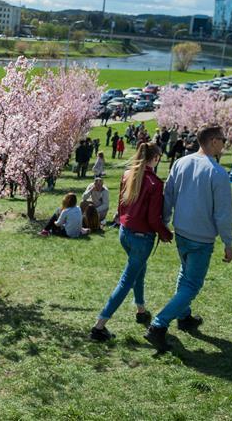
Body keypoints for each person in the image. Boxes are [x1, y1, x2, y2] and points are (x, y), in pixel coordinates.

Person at [145, 126, 232, 353]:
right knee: (192, 284)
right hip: (201, 236)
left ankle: (184, 316)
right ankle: (158, 325)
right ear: (213, 141)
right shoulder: (218, 173)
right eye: (223, 139)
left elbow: (169, 195)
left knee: (185, 274)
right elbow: (222, 213)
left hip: (182, 231)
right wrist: (228, 242)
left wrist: (165, 221)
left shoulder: (181, 163)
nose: (225, 143)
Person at [91, 143, 171, 342]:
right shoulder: (154, 183)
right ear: (155, 158)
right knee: (126, 280)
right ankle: (99, 326)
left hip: (125, 232)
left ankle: (141, 309)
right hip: (141, 237)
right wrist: (165, 233)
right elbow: (153, 219)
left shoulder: (128, 174)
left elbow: (120, 204)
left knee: (139, 271)